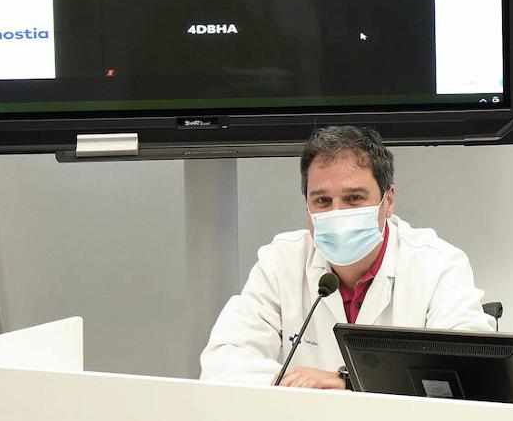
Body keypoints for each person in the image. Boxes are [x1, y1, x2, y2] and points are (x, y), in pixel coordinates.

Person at [199, 125, 494, 388]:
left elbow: (465, 374)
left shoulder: (437, 264)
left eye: (354, 198)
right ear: (307, 205)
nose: (337, 213)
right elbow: (223, 361)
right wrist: (296, 387)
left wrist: (347, 382)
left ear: (387, 200)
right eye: (323, 201)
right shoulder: (281, 261)